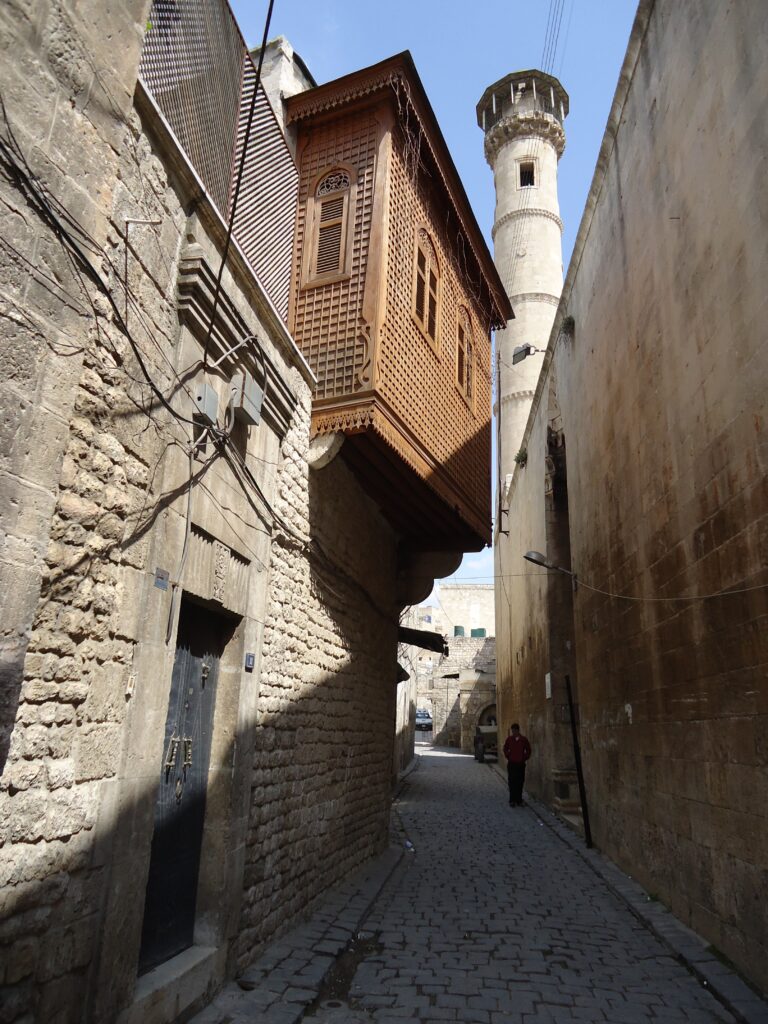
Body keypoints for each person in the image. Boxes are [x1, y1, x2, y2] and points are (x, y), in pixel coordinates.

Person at [503, 723, 531, 806]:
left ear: (518, 730)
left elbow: (528, 750)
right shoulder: (509, 739)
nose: (513, 732)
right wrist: (508, 756)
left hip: (520, 764)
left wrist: (524, 758)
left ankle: (519, 799)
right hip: (512, 764)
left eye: (515, 730)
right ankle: (512, 800)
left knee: (520, 781)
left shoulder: (523, 739)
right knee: (512, 782)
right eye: (512, 731)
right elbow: (505, 748)